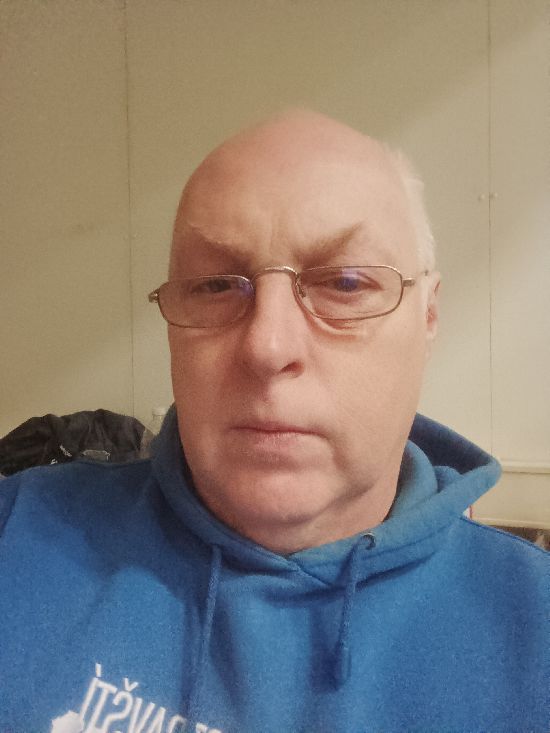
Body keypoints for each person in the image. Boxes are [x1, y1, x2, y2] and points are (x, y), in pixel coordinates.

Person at [0, 110, 547, 733]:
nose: (267, 346)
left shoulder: (535, 635)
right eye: (214, 286)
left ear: (428, 315)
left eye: (345, 283)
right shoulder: (17, 535)